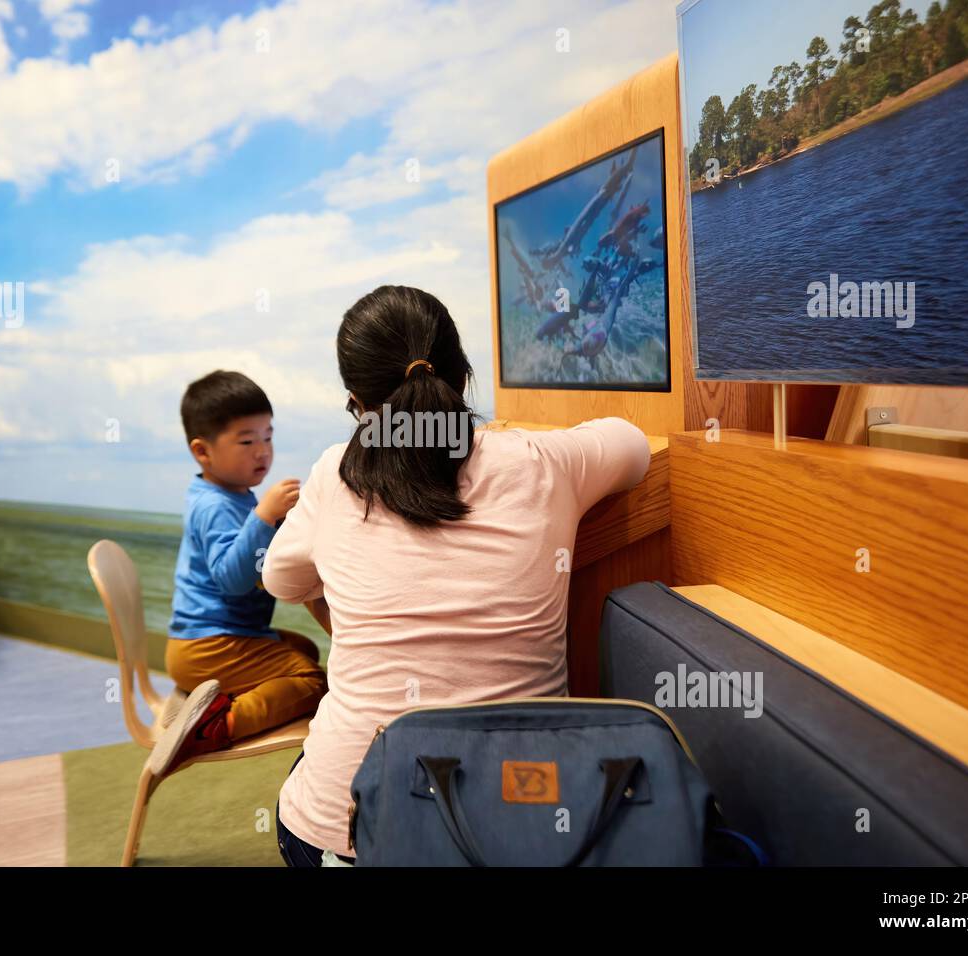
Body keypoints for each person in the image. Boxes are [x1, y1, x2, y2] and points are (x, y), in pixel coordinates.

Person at [262, 284, 652, 866]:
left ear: (356, 402)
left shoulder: (334, 475)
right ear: (461, 375)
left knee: (308, 774)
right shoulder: (543, 462)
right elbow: (635, 444)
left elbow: (281, 582)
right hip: (522, 831)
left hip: (350, 839)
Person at [149, 370, 327, 780]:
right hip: (209, 645)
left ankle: (203, 701)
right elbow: (232, 579)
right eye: (247, 441)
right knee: (312, 680)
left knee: (304, 648)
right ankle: (213, 725)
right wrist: (264, 515)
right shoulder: (214, 506)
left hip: (210, 641)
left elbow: (257, 556)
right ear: (202, 451)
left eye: (268, 436)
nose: (262, 451)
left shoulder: (230, 496)